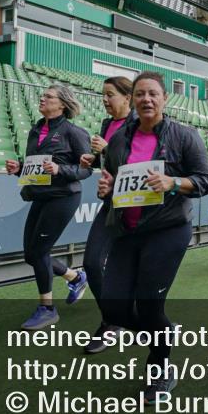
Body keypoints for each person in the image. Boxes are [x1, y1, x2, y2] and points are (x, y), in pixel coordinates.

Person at [95, 71, 208, 402]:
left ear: (164, 99)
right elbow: (115, 184)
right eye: (140, 94)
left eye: (153, 94)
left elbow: (207, 180)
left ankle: (160, 369)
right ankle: (162, 332)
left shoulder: (184, 136)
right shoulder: (120, 139)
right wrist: (106, 190)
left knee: (149, 305)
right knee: (114, 308)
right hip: (126, 231)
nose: (146, 99)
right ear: (133, 100)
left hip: (167, 230)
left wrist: (173, 183)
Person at [4, 84, 92, 330]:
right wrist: (19, 168)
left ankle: (47, 309)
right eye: (43, 96)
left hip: (63, 196)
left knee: (39, 251)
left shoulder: (74, 132)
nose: (42, 99)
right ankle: (75, 277)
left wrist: (61, 169)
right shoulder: (35, 130)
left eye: (48, 97)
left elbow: (86, 169)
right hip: (40, 194)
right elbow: (36, 166)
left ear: (62, 104)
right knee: (31, 254)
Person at [77, 76, 136, 354]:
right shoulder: (106, 124)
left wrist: (107, 150)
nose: (104, 100)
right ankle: (112, 320)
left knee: (135, 272)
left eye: (110, 95)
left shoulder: (140, 123)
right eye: (103, 94)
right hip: (111, 205)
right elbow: (108, 162)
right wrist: (93, 159)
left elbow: (138, 161)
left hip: (138, 206)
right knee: (91, 262)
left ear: (127, 97)